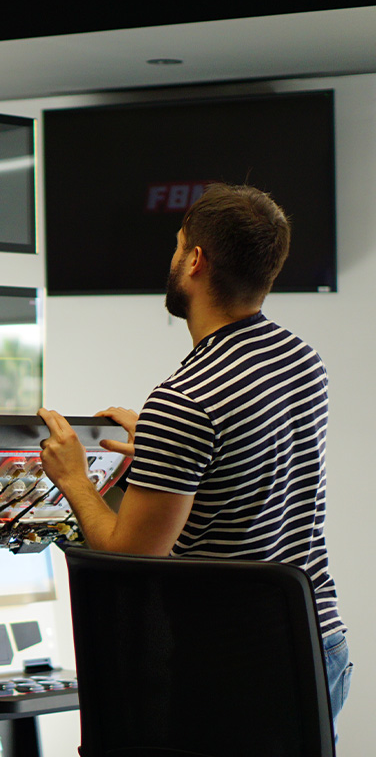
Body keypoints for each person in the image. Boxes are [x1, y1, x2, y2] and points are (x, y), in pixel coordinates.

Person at [37, 184, 350, 727]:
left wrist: (76, 482)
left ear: (196, 261)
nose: (174, 257)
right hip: (320, 644)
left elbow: (133, 557)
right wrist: (161, 450)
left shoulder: (187, 399)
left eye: (178, 246)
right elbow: (251, 467)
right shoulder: (301, 359)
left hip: (239, 669)